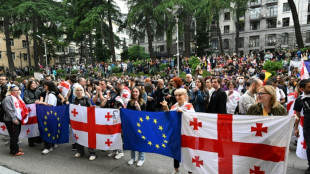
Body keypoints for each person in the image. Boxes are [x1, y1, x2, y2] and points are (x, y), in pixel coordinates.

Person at [161, 88, 194, 174]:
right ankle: (176, 169)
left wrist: (183, 112)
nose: (178, 97)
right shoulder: (174, 106)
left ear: (185, 96)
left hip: (186, 133)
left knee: (188, 152)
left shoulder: (189, 105)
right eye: (176, 95)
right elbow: (169, 118)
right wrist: (166, 107)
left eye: (180, 95)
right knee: (175, 151)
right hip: (176, 132)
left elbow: (193, 117)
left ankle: (190, 171)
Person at [72, 85, 97, 161]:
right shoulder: (74, 100)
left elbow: (90, 107)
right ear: (75, 92)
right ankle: (80, 151)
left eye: (80, 90)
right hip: (78, 122)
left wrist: (92, 107)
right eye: (77, 90)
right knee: (78, 136)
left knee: (89, 137)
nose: (79, 92)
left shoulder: (85, 98)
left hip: (87, 121)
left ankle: (92, 153)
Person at [2, 84, 29, 156]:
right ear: (11, 91)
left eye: (18, 90)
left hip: (17, 119)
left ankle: (15, 147)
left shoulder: (18, 97)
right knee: (14, 135)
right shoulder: (8, 99)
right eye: (15, 90)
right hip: (11, 120)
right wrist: (14, 119)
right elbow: (9, 110)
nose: (17, 92)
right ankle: (14, 151)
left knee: (15, 135)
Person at [126, 87, 146, 167]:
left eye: (136, 92)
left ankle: (141, 158)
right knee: (132, 141)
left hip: (140, 126)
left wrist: (138, 108)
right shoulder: (129, 102)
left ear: (139, 93)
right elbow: (127, 112)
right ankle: (133, 158)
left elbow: (144, 116)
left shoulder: (143, 103)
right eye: (133, 92)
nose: (134, 93)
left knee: (140, 141)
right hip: (132, 125)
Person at [293, 79, 310, 174]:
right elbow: (297, 115)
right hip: (307, 127)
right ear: (302, 88)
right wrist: (296, 128)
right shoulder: (299, 99)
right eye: (309, 87)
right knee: (309, 148)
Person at [38, 81, 59, 155]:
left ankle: (48, 147)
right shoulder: (48, 94)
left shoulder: (51, 95)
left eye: (46, 85)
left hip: (50, 115)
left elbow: (50, 104)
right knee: (50, 130)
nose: (44, 86)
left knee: (47, 130)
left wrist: (41, 103)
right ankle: (52, 144)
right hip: (50, 114)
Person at [23, 80, 41, 147]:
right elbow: (27, 101)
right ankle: (31, 141)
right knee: (31, 125)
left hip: (38, 110)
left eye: (35, 83)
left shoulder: (39, 91)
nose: (35, 84)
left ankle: (38, 139)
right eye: (33, 83)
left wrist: (38, 101)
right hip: (30, 111)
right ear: (30, 84)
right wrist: (35, 101)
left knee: (38, 124)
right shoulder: (26, 92)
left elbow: (42, 99)